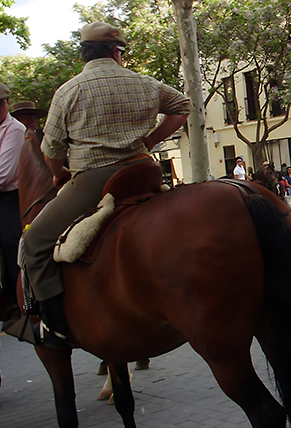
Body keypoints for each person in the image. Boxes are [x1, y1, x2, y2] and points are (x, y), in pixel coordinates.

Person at [22, 21, 190, 347]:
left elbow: (51, 149)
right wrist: (151, 138)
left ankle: (54, 326)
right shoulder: (144, 82)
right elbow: (182, 107)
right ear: (116, 52)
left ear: (83, 55)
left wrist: (58, 174)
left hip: (96, 180)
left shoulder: (68, 91)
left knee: (34, 243)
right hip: (144, 172)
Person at [0, 82, 27, 319]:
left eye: (0, 104)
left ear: (7, 104)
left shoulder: (15, 129)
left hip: (7, 196)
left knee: (10, 240)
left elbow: (2, 175)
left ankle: (20, 298)